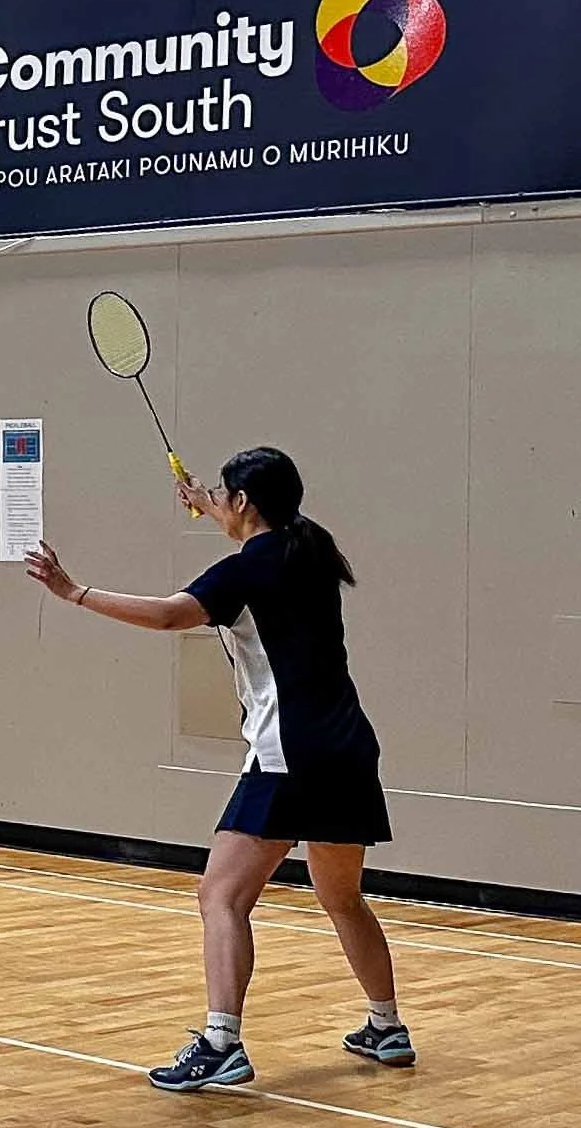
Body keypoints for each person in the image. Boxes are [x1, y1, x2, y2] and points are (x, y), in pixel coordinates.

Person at [25, 447, 412, 1091]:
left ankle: (221, 1042)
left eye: (229, 499)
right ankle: (386, 1025)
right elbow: (257, 540)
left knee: (222, 896)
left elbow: (173, 614)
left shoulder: (247, 571)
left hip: (288, 756)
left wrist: (75, 592)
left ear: (245, 504)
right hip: (348, 750)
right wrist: (212, 505)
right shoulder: (309, 550)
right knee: (341, 896)